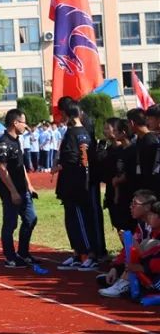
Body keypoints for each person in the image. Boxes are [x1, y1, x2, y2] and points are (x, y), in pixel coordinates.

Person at [53, 101, 100, 271]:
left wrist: (59, 165)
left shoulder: (73, 134)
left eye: (62, 114)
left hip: (75, 185)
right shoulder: (84, 133)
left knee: (79, 221)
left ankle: (89, 254)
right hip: (79, 183)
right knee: (73, 221)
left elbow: (71, 159)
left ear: (68, 115)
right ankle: (79, 254)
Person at [0, 109, 38, 269]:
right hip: (10, 192)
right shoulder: (4, 142)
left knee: (31, 219)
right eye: (24, 122)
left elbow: (21, 167)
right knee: (10, 224)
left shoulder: (17, 140)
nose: (26, 126)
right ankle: (10, 257)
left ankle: (23, 253)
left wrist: (29, 185)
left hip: (23, 190)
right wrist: (12, 192)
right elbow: (1, 168)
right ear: (15, 123)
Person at [98, 118, 133, 232]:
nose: (105, 131)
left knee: (127, 224)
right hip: (111, 190)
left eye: (108, 128)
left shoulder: (126, 149)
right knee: (117, 222)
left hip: (124, 191)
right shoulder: (107, 149)